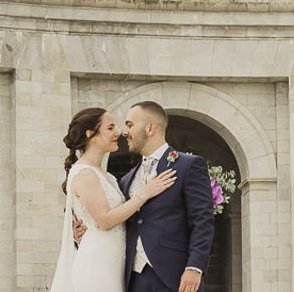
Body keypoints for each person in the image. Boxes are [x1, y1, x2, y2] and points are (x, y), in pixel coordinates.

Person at [74, 101, 214, 292]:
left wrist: (195, 267)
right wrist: (84, 228)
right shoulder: (125, 180)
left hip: (176, 277)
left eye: (130, 125)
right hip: (133, 279)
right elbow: (114, 216)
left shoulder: (188, 165)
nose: (124, 132)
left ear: (150, 128)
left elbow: (202, 220)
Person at [50, 107, 177, 292]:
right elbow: (104, 220)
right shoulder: (85, 173)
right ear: (90, 134)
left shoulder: (106, 176)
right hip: (97, 263)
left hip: (113, 263)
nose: (117, 133)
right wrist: (145, 193)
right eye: (110, 128)